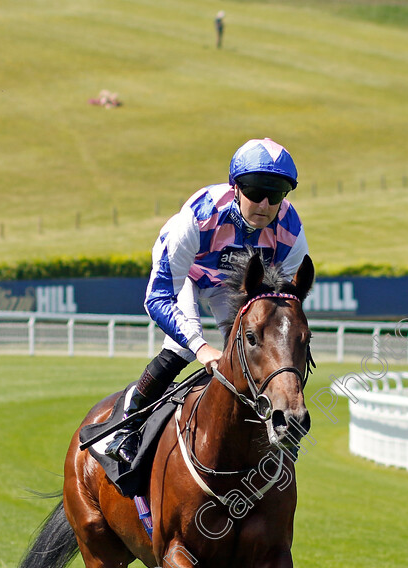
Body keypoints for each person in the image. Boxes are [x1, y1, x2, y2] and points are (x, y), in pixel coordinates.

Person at [104, 137, 309, 465]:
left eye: (277, 194)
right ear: (236, 188)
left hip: (230, 285)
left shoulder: (292, 235)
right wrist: (202, 347)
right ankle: (128, 426)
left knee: (250, 349)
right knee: (182, 348)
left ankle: (268, 426)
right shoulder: (199, 216)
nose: (265, 203)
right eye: (256, 191)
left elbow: (275, 309)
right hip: (187, 274)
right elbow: (158, 298)